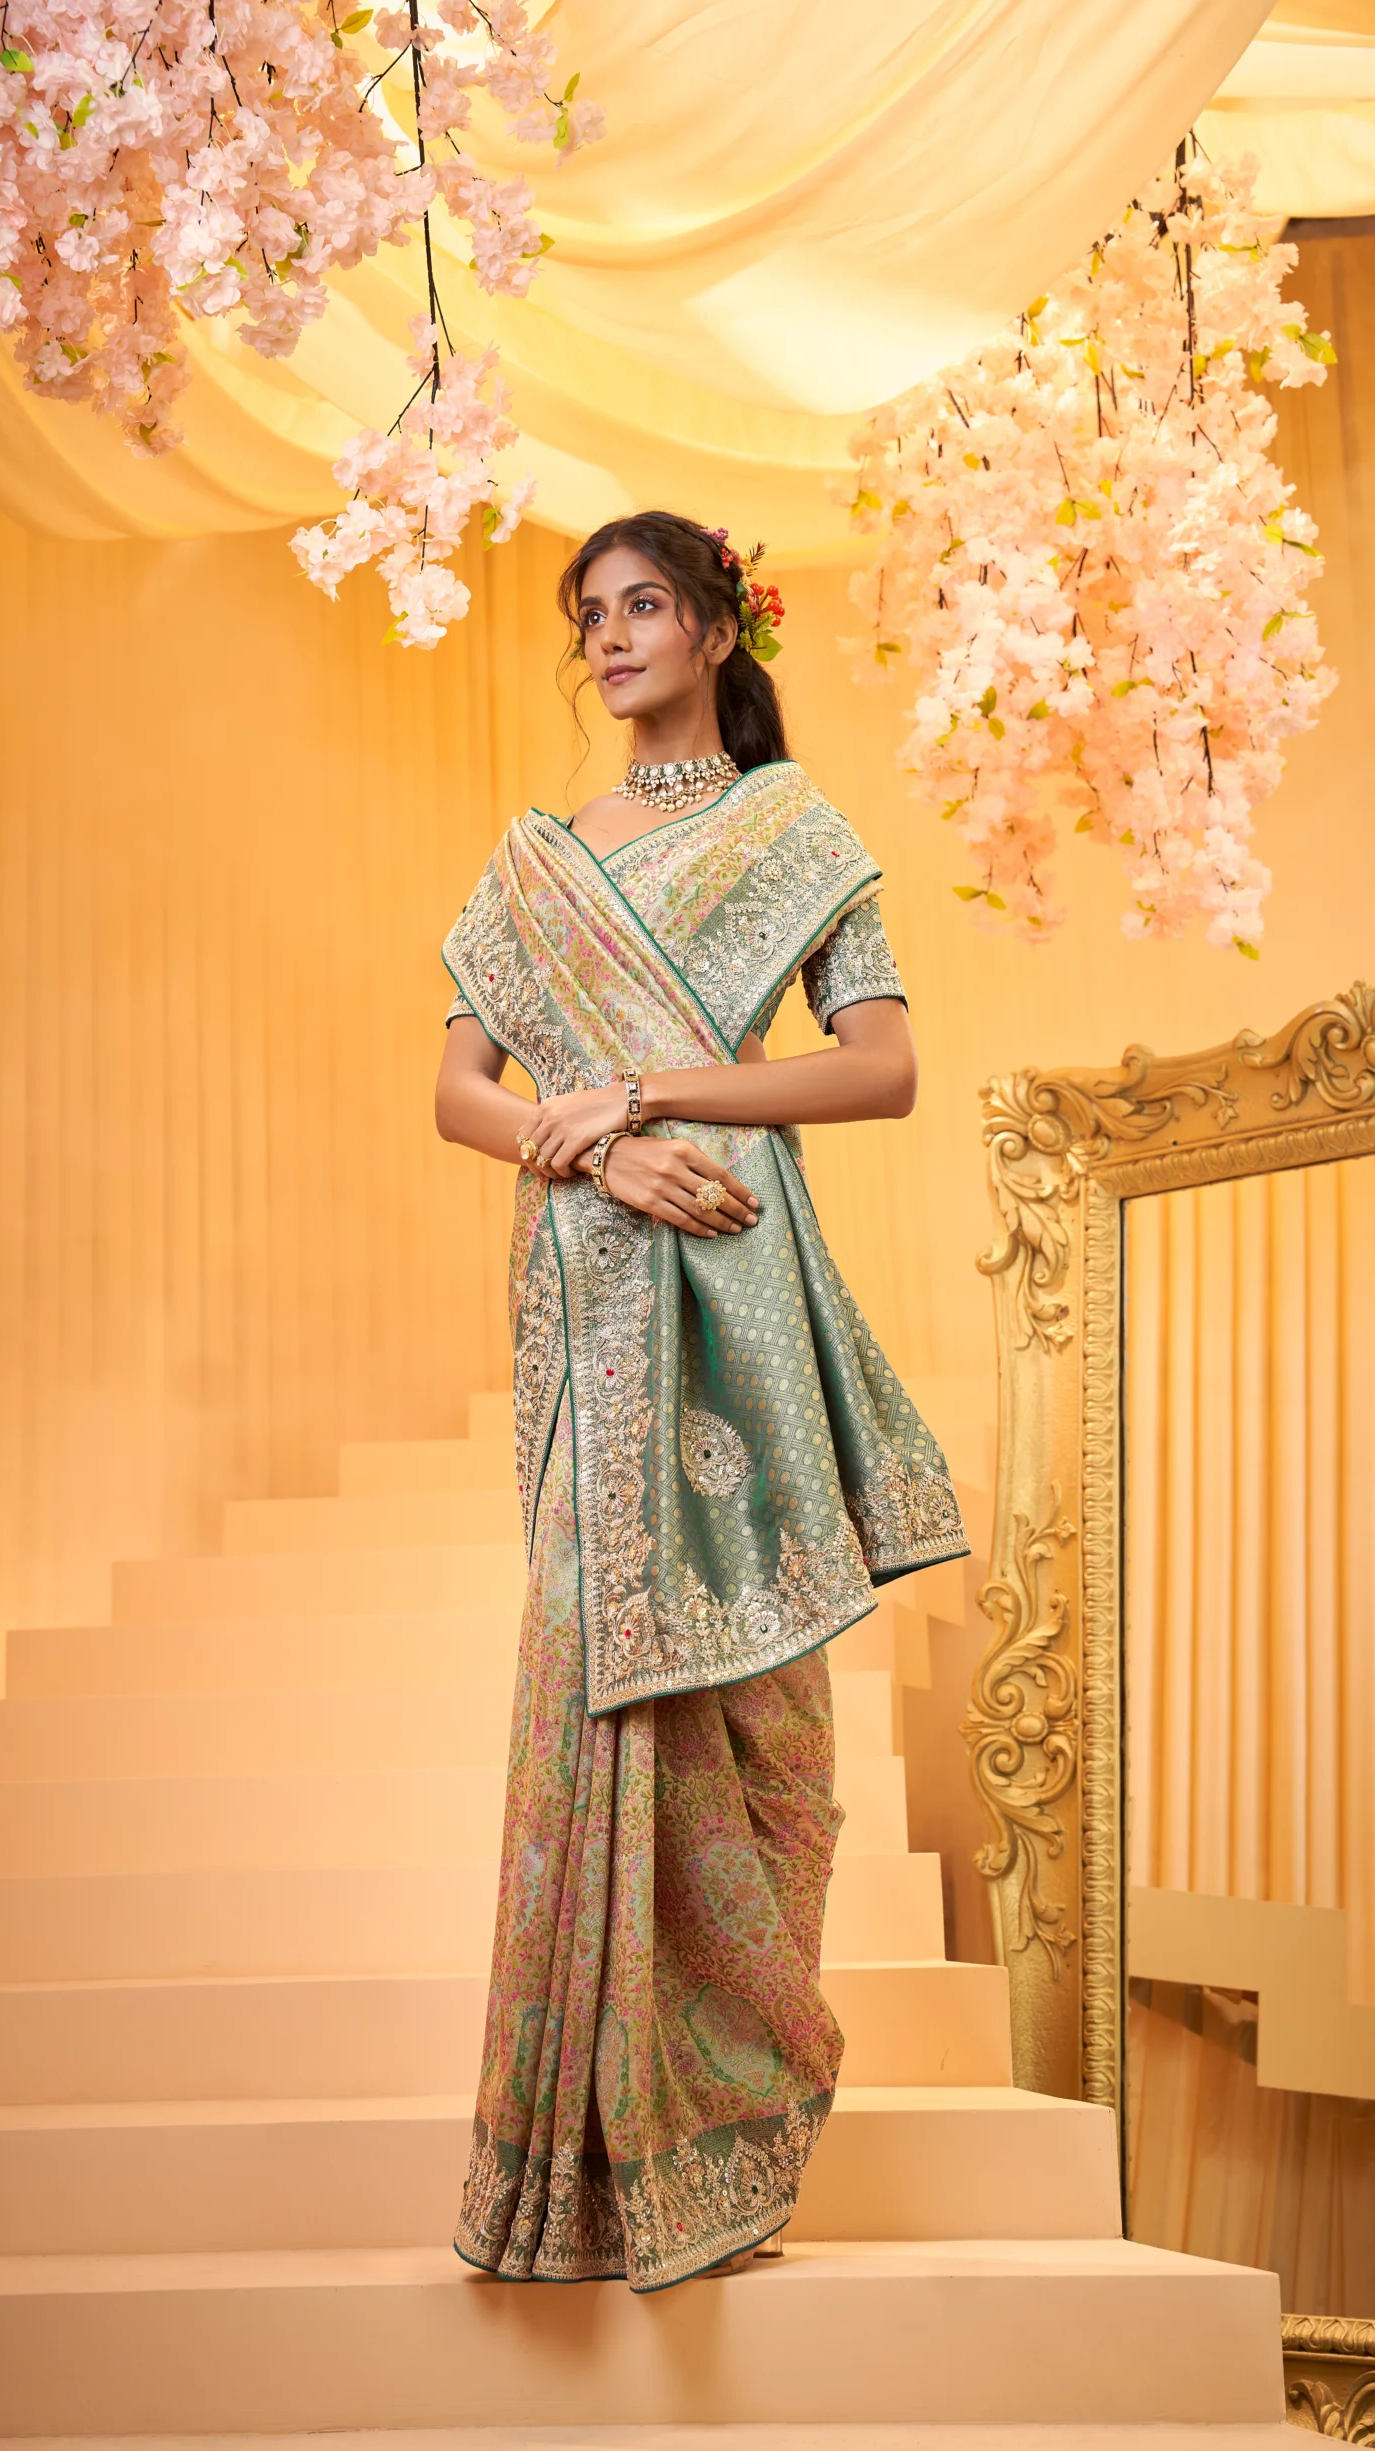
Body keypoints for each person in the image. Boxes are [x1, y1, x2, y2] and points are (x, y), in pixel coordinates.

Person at [434, 509, 968, 2292]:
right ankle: (583, 2163)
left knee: (759, 1719)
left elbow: (881, 1068)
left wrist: (658, 1102)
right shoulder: (532, 861)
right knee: (600, 1677)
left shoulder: (793, 830)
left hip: (736, 1281)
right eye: (586, 615)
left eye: (641, 605)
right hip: (586, 1301)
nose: (606, 638)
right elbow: (459, 1096)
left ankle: (736, 2108)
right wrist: (589, 1157)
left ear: (720, 626)